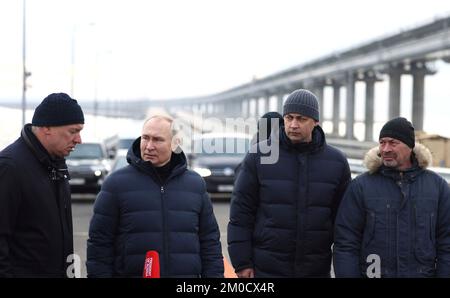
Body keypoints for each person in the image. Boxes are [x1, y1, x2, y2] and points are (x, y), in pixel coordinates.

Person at [228, 89, 351, 277]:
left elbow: (344, 223)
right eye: (289, 117)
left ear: (315, 122)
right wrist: (242, 263)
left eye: (301, 119)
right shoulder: (258, 156)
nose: (293, 124)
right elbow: (241, 214)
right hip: (266, 268)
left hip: (315, 269)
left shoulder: (337, 162)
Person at [86, 115, 224, 277]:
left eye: (157, 140)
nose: (149, 146)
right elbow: (99, 244)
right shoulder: (116, 184)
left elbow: (210, 243)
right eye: (145, 138)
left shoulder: (195, 185)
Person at [333, 117, 450, 278]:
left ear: (410, 146)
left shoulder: (438, 188)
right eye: (382, 142)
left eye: (393, 143)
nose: (385, 149)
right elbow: (346, 244)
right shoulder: (361, 187)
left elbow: (447, 244)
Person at [0, 93, 84, 277]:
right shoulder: (10, 166)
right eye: (73, 131)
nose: (79, 139)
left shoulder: (56, 163)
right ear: (47, 128)